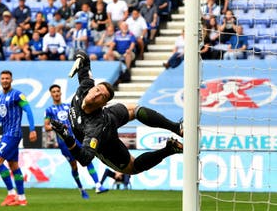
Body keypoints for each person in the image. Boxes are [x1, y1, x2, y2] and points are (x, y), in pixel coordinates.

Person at [50, 51, 183, 176]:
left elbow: (85, 159)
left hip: (107, 143)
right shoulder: (85, 87)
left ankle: (170, 147)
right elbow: (85, 60)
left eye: (102, 96)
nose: (97, 94)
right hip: (110, 116)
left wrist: (68, 138)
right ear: (92, 88)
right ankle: (176, 129)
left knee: (132, 167)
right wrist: (80, 56)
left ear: (103, 104)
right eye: (97, 90)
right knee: (133, 109)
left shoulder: (94, 128)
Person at [44, 84, 108, 199]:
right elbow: (46, 127)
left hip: (76, 138)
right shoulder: (49, 110)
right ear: (51, 94)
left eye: (58, 91)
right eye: (53, 91)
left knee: (88, 158)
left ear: (61, 92)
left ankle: (98, 185)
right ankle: (81, 189)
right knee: (74, 166)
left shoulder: (68, 106)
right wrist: (57, 127)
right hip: (64, 143)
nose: (56, 93)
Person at [0, 70, 37, 206]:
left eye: (7, 78)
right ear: (0, 80)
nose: (5, 80)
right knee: (13, 165)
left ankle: (11, 194)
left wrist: (32, 129)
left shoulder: (17, 95)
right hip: (6, 133)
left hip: (13, 133)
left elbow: (28, 110)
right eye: (3, 78)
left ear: (11, 80)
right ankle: (21, 198)